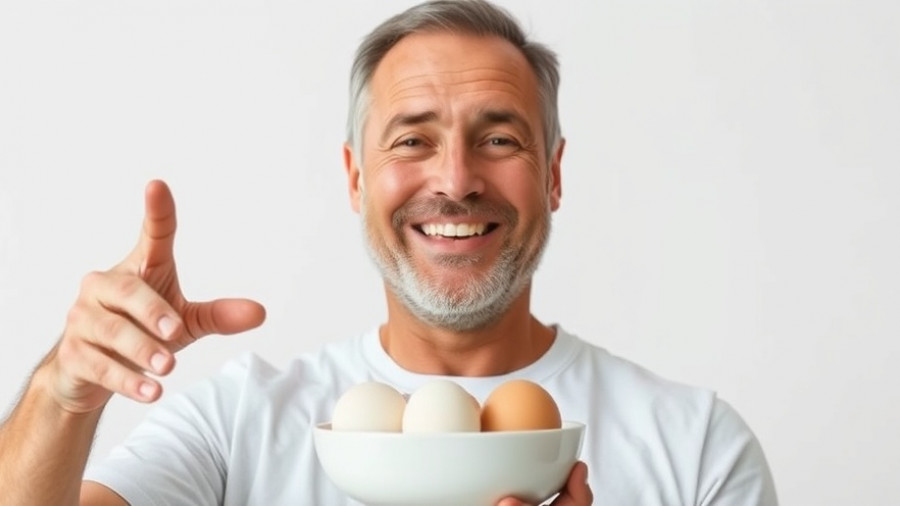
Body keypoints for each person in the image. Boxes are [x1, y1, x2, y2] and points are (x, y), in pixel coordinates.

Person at [0, 0, 778, 504]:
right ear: (355, 176)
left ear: (553, 175)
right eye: (414, 140)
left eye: (499, 139)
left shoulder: (694, 447)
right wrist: (64, 394)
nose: (456, 180)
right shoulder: (243, 425)